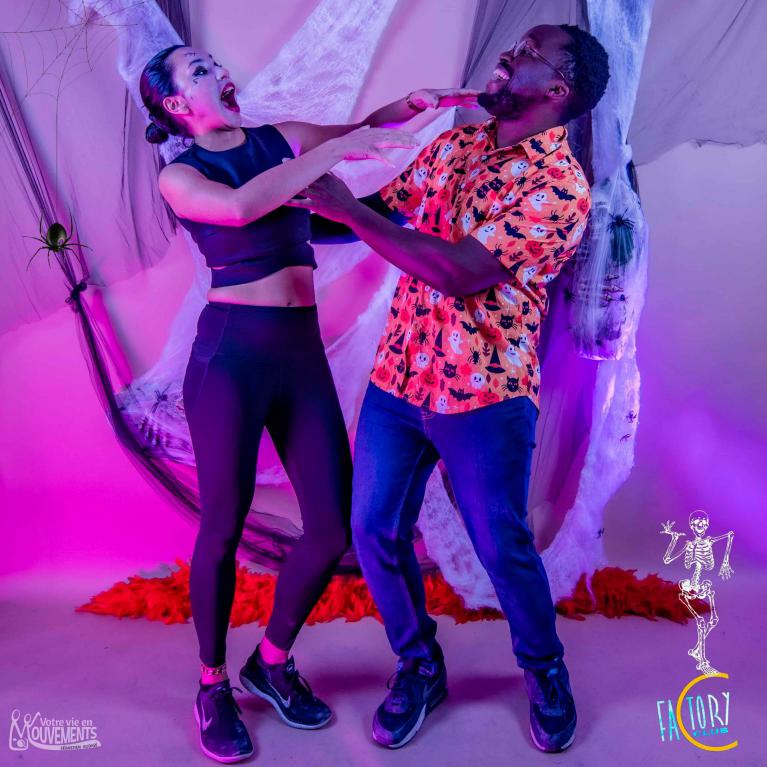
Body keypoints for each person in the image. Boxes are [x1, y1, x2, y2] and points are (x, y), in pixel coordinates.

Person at [140, 43, 478, 763]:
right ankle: (211, 685)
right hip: (230, 360)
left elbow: (365, 130)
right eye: (197, 71)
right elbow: (242, 207)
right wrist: (335, 150)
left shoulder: (280, 138)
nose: (216, 72)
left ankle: (271, 660)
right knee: (223, 526)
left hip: (299, 357)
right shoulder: (181, 174)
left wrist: (410, 108)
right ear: (176, 105)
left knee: (331, 525)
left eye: (212, 63)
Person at [285, 24, 609, 754]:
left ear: (556, 90)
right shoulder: (454, 145)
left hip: (485, 395)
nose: (506, 57)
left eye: (526, 54)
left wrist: (347, 210)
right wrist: (281, 205)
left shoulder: (559, 188)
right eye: (513, 47)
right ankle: (419, 666)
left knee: (501, 543)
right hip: (399, 379)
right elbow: (379, 217)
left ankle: (545, 671)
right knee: (373, 529)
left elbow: (459, 271)